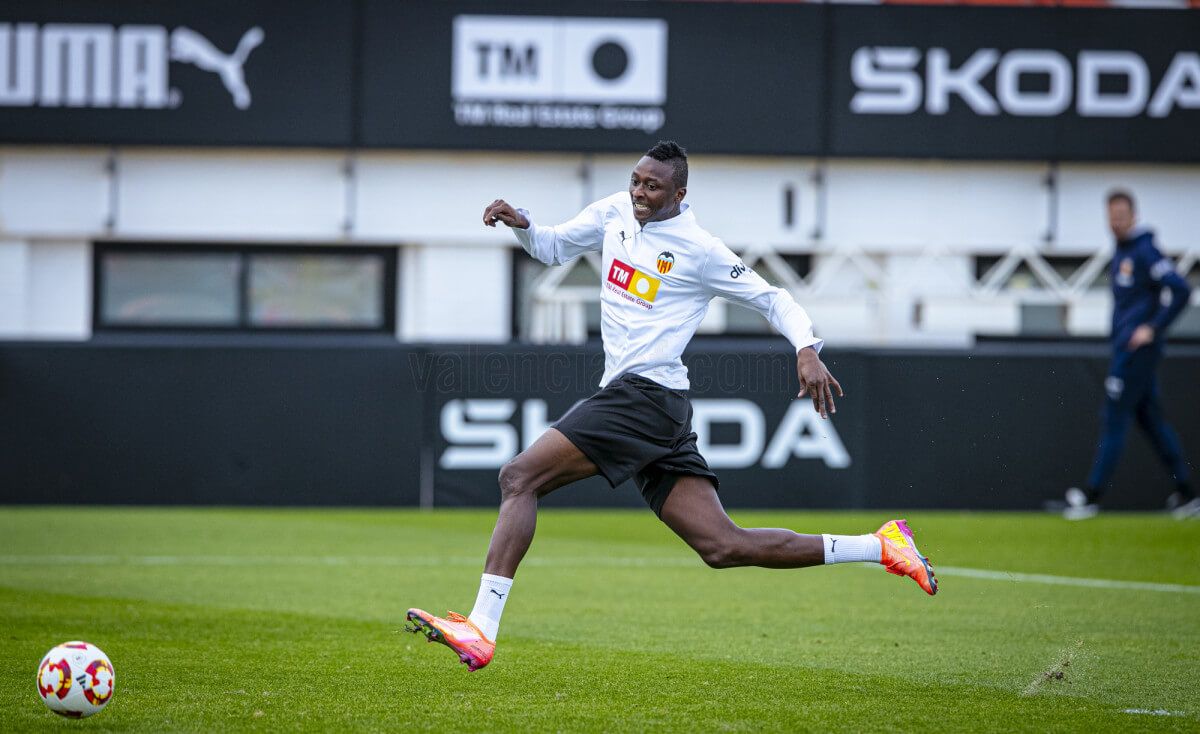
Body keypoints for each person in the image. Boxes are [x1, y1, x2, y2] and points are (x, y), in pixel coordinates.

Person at [406, 141, 937, 672]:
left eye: (652, 186)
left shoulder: (699, 249)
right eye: (636, 180)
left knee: (519, 477)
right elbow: (551, 247)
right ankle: (882, 546)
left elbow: (772, 297)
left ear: (679, 194)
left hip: (644, 397)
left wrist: (806, 348)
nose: (639, 191)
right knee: (723, 546)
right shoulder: (614, 211)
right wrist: (522, 223)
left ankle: (481, 627)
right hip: (652, 406)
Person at [1064, 190, 1196, 520]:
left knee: (1114, 417)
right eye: (1111, 216)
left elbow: (1180, 289)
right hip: (1126, 349)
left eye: (1121, 215)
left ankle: (1091, 495)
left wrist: (1153, 326)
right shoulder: (1122, 251)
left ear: (1133, 216)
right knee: (1152, 422)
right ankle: (1188, 492)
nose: (1116, 222)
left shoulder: (1145, 250)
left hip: (1137, 353)